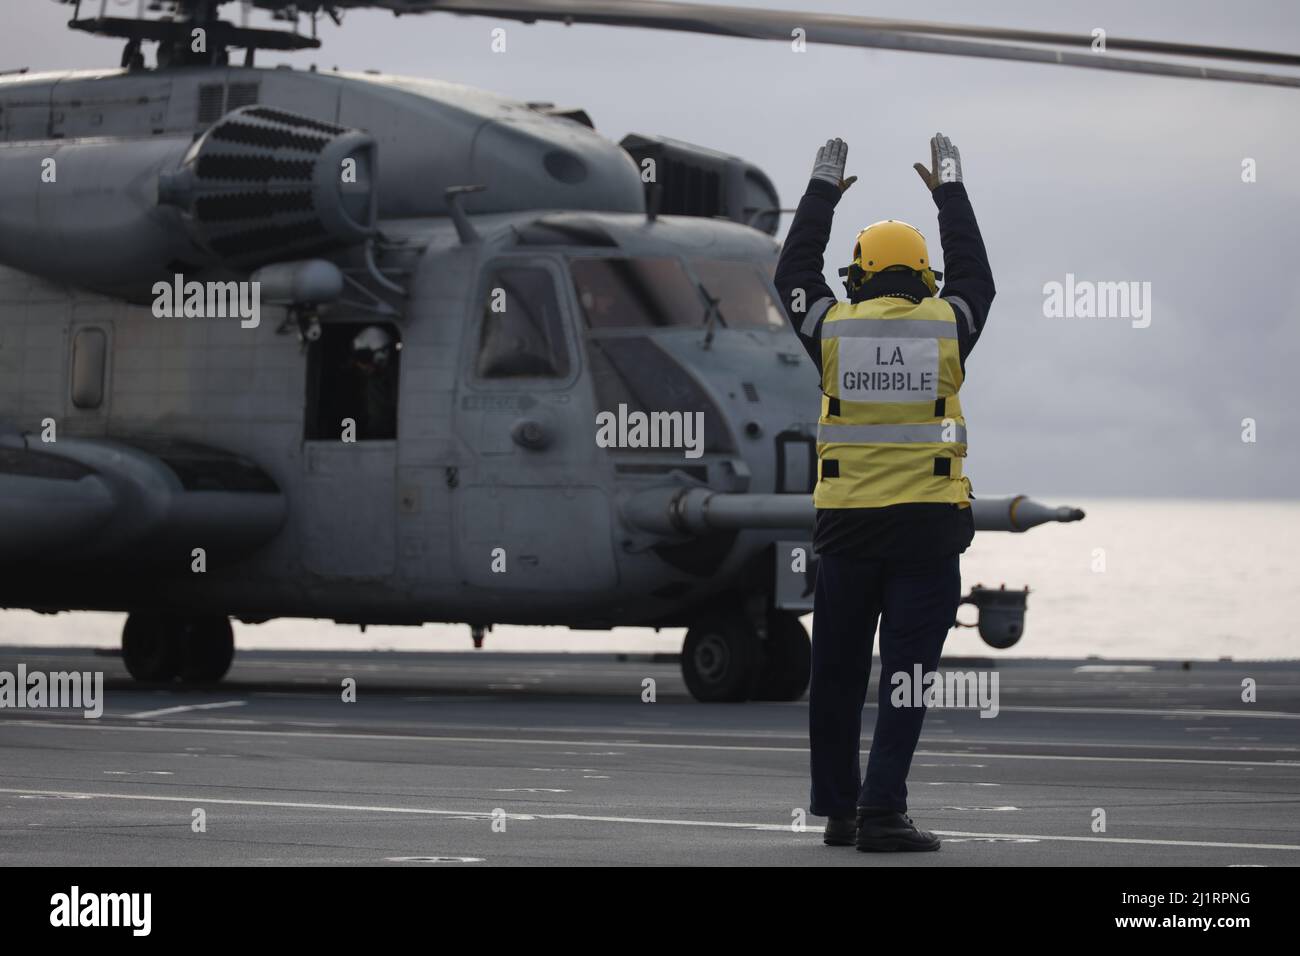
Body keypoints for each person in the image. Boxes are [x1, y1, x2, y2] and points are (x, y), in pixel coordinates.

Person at [774, 134, 995, 852]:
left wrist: (821, 193)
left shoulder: (831, 329)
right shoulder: (948, 326)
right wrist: (950, 190)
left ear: (860, 274)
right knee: (906, 678)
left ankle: (841, 811)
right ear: (924, 275)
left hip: (847, 532)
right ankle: (883, 812)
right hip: (928, 533)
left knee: (836, 674)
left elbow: (793, 274)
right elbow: (977, 276)